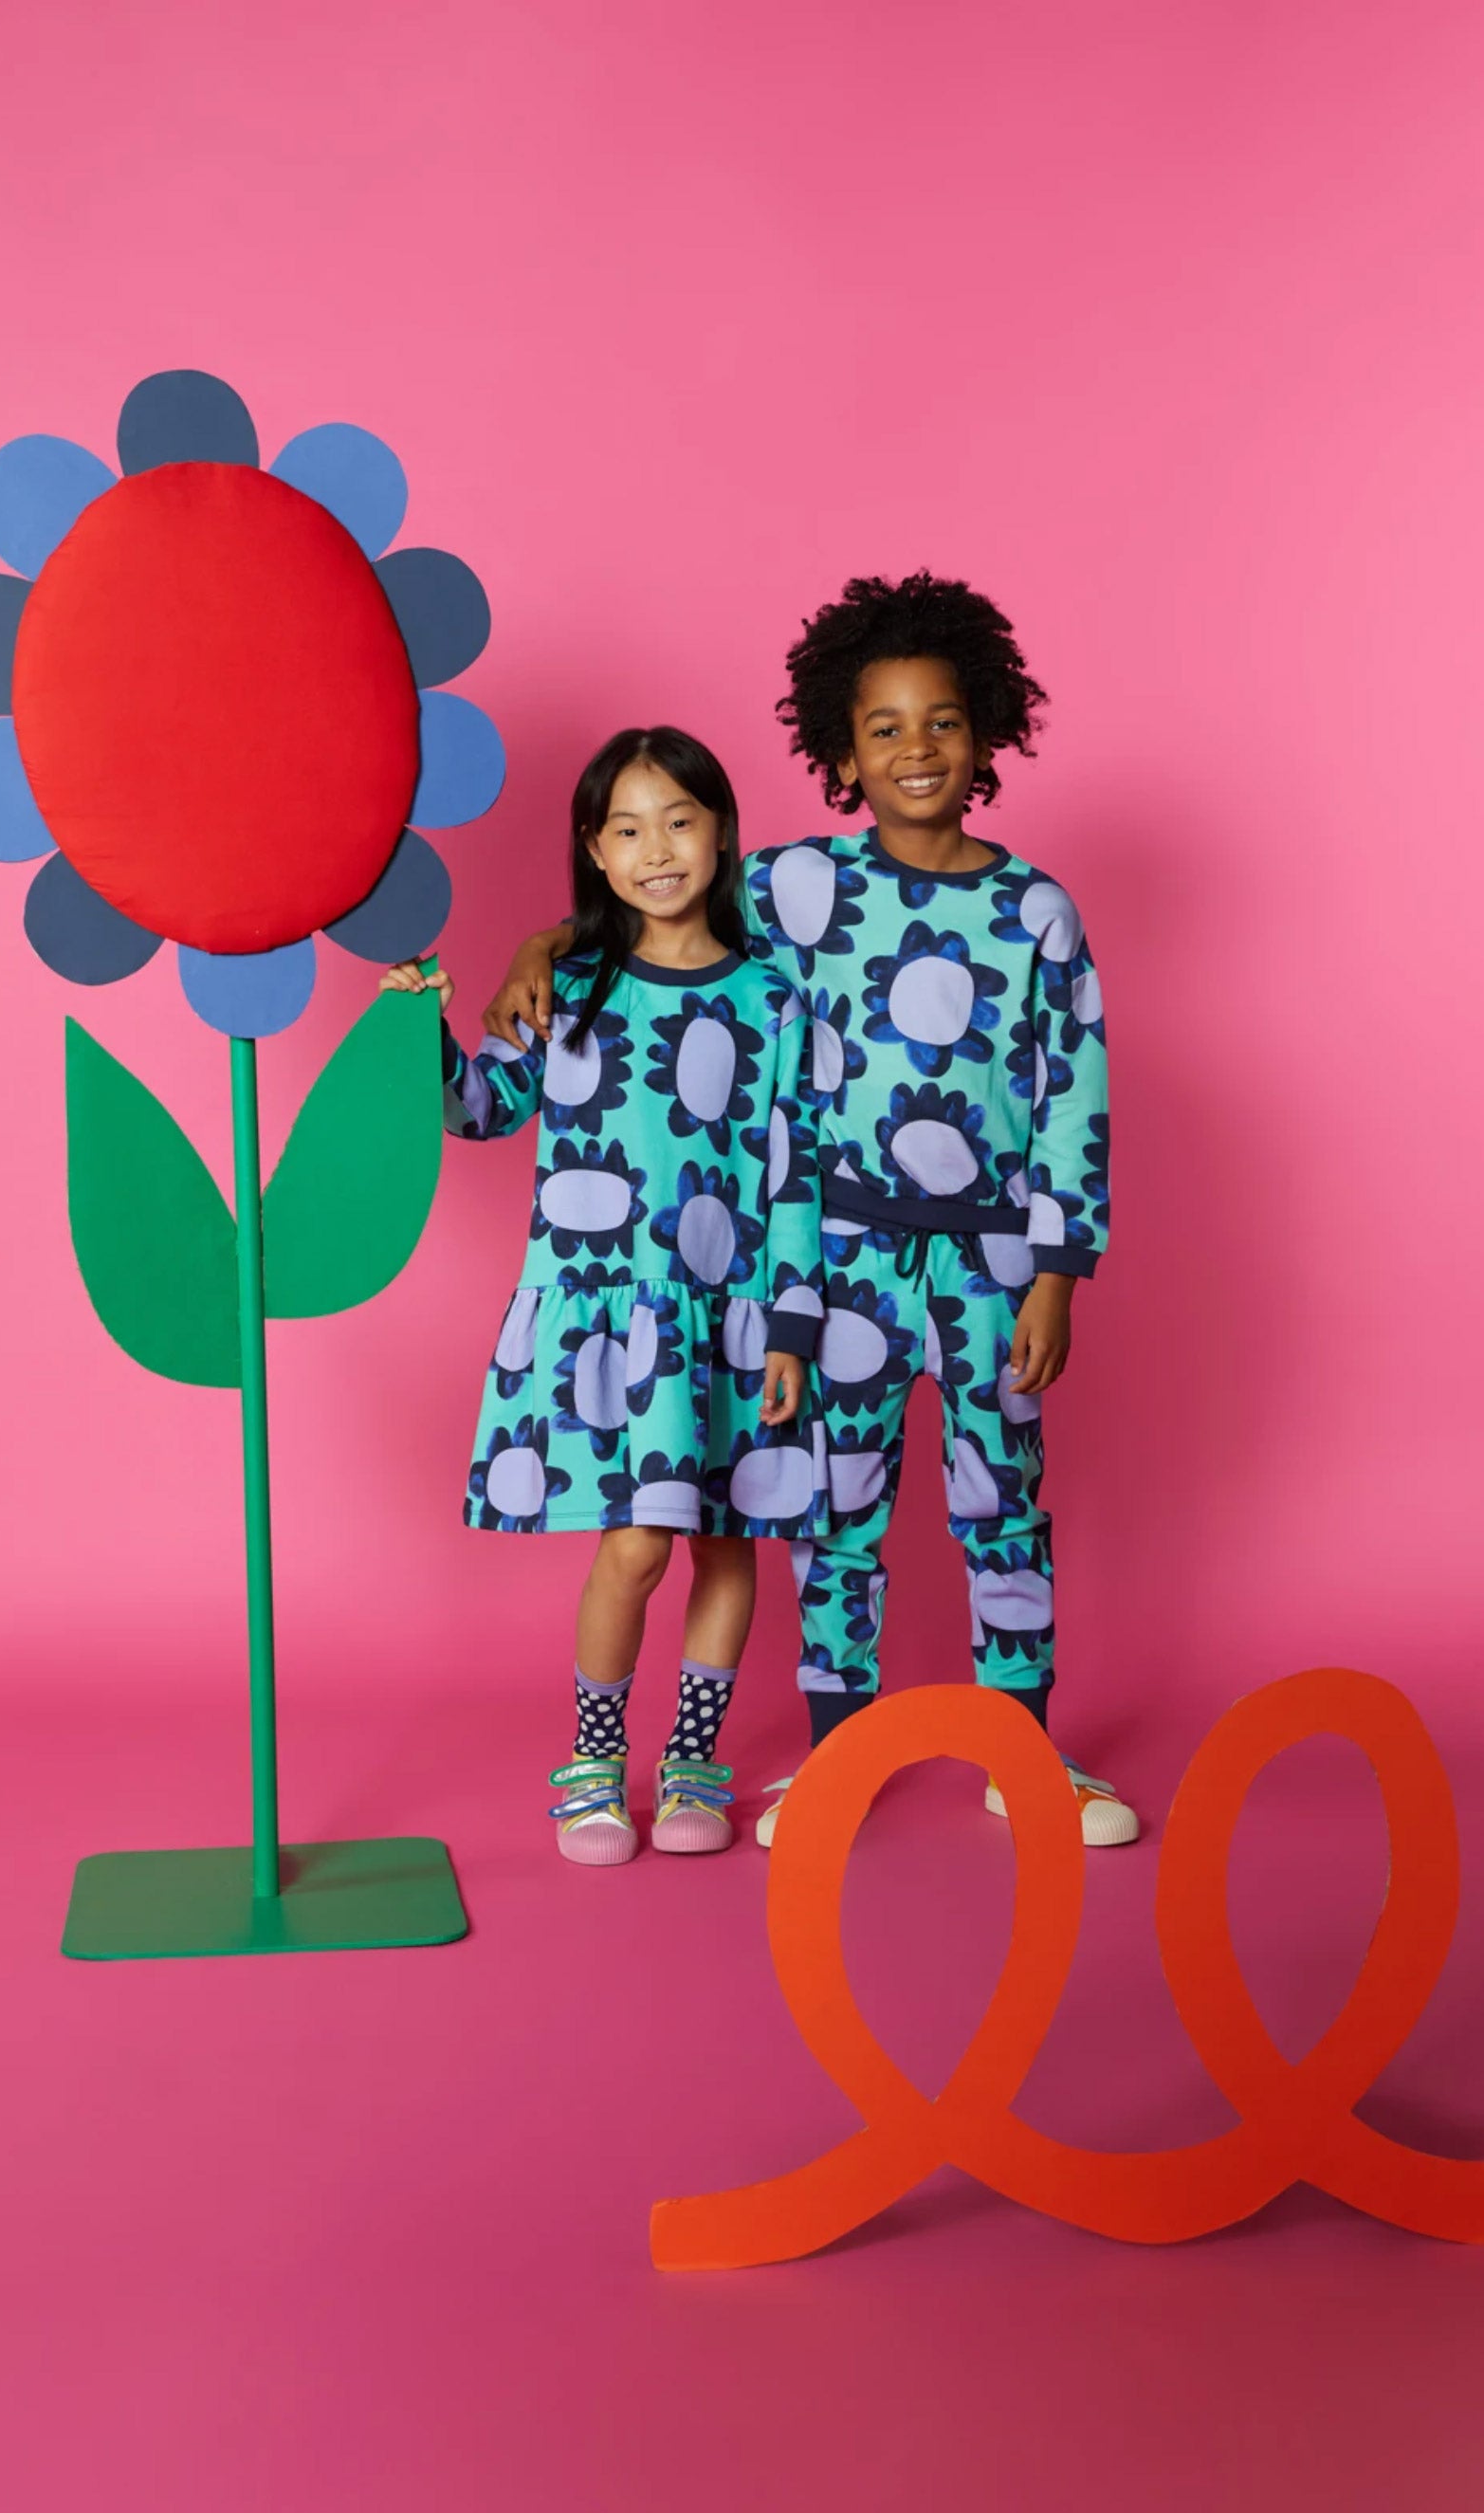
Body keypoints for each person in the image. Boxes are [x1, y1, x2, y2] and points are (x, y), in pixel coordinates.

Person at [480, 576, 1140, 1847]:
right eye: (883, 728)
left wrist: (1056, 1274)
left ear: (985, 732)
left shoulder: (1038, 911)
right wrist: (532, 953)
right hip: (834, 1256)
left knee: (1003, 1496)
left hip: (998, 1257)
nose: (915, 750)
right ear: (839, 752)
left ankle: (1028, 1753)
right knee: (837, 1506)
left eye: (941, 722)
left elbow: (1074, 1099)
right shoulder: (789, 890)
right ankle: (841, 1757)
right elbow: (651, 918)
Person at [386, 725, 826, 1865]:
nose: (656, 848)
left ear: (722, 831)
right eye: (625, 828)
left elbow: (792, 1175)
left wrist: (785, 1328)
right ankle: (591, 1763)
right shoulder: (569, 986)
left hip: (730, 1316)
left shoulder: (775, 999)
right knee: (634, 1545)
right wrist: (415, 1027)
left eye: (678, 820)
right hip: (613, 1311)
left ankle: (692, 1763)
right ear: (593, 847)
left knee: (729, 1547)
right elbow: (476, 1112)